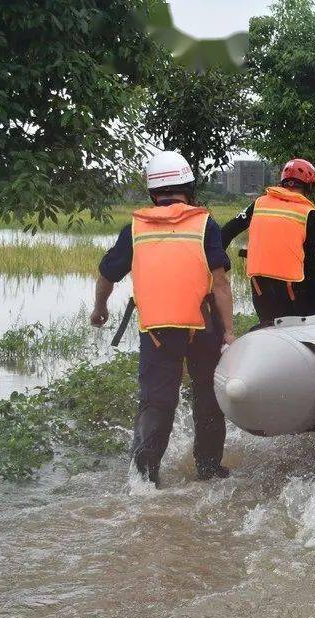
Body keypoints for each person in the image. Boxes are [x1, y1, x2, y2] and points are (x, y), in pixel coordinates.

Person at [91, 151, 236, 486]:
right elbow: (220, 282)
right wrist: (229, 332)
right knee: (208, 399)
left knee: (156, 403)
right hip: (202, 328)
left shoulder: (135, 229)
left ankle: (144, 479)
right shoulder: (205, 225)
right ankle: (208, 470)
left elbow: (106, 275)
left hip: (157, 332)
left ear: (153, 192)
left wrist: (99, 309)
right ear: (188, 187)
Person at [221, 159, 315, 325]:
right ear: (309, 186)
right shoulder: (308, 212)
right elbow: (312, 263)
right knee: (294, 335)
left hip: (259, 285)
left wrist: (217, 264)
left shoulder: (259, 203)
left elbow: (228, 231)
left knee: (268, 329)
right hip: (292, 288)